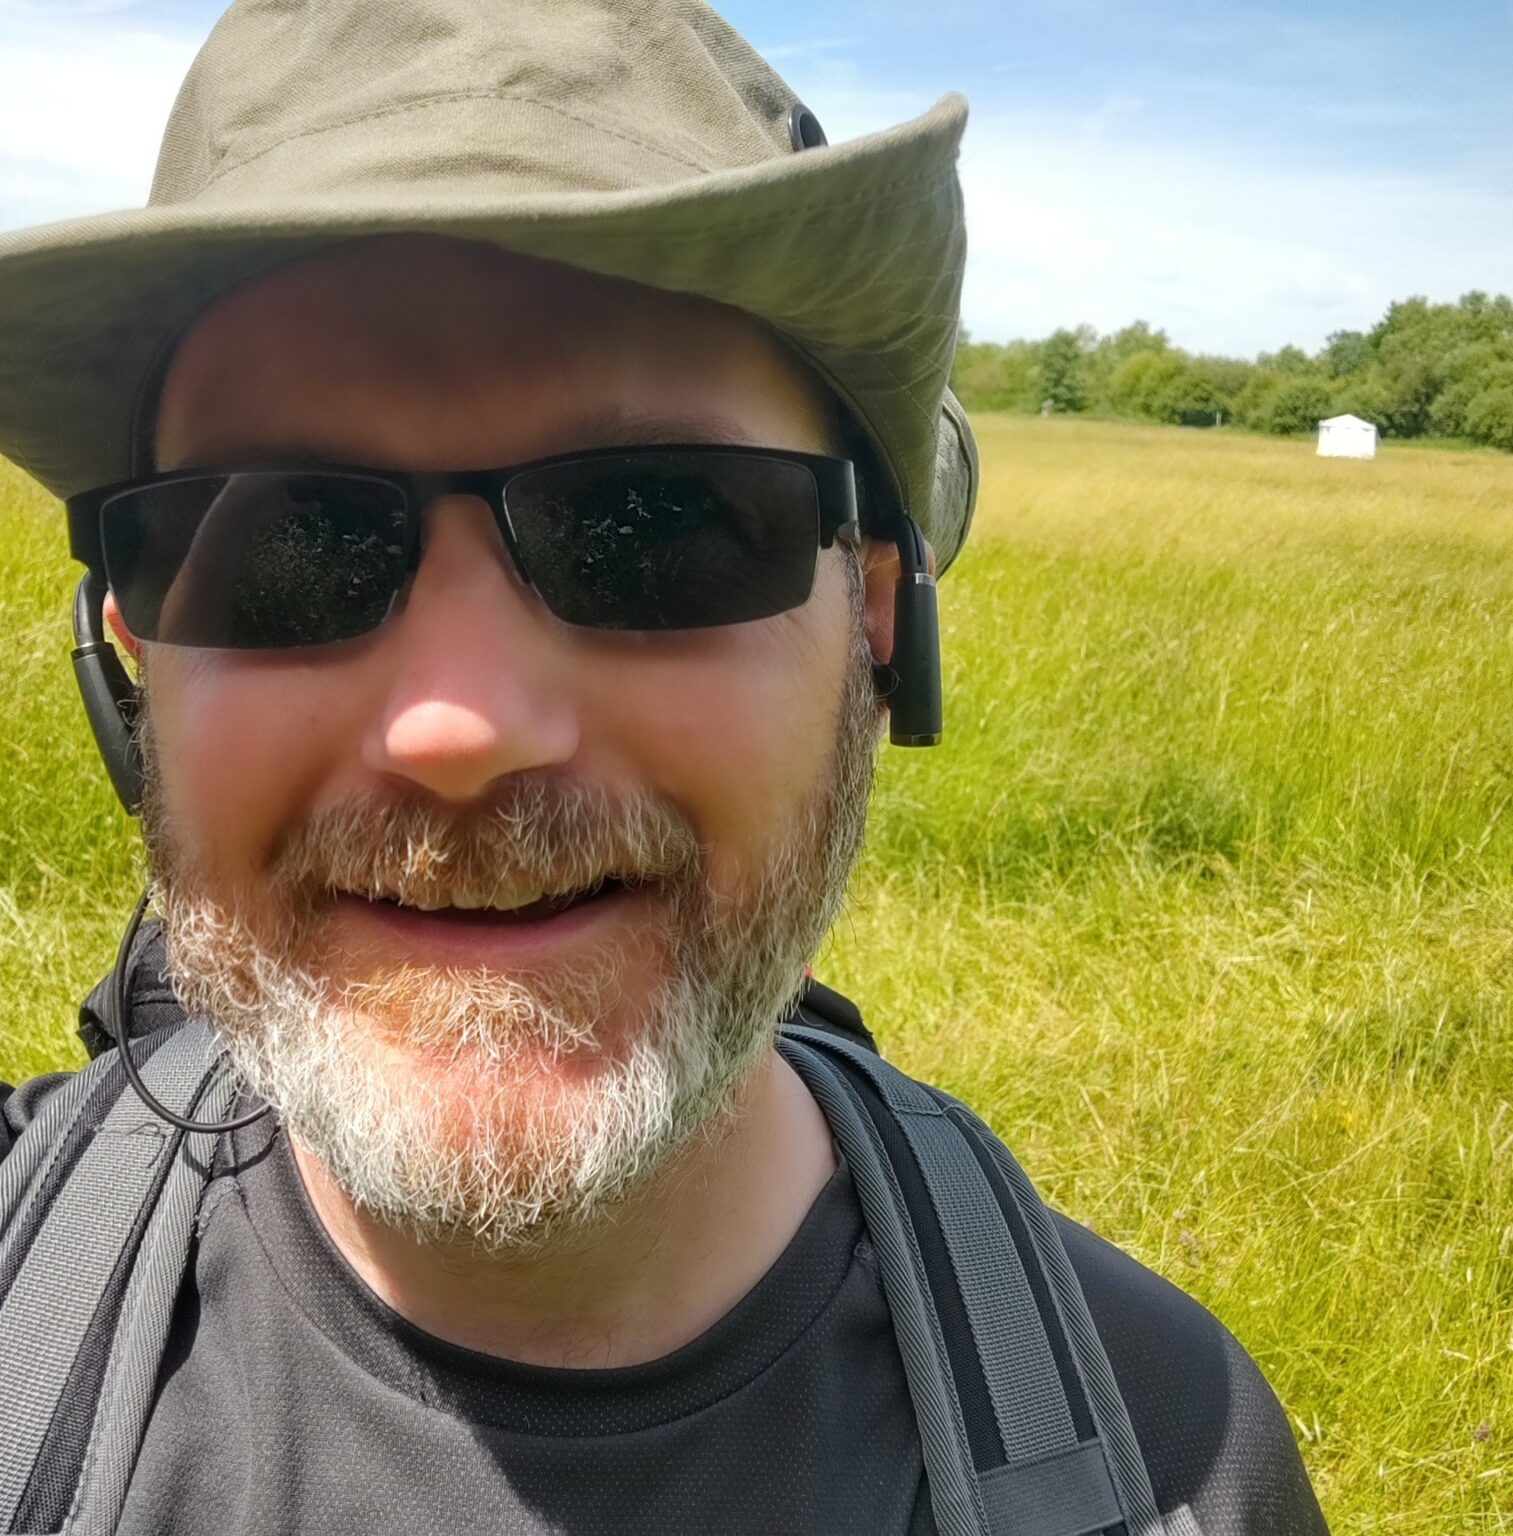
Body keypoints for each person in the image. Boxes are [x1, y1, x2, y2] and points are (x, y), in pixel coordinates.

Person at [0, 1, 1329, 1531]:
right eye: (283, 545)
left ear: (878, 620)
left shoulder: (1168, 1467)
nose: (462, 729)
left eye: (662, 526)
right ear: (134, 665)